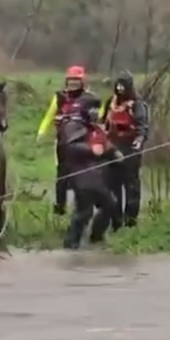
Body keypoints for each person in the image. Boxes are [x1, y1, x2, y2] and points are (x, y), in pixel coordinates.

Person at [36, 65, 102, 215]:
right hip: (63, 143)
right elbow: (49, 115)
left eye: (76, 81)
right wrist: (41, 132)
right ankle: (60, 206)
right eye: (71, 80)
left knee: (86, 171)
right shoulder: (59, 97)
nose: (73, 84)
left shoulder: (91, 98)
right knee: (62, 175)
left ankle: (91, 202)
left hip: (83, 142)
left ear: (82, 81)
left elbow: (100, 116)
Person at [60, 103, 123, 250]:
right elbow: (70, 146)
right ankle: (71, 244)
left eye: (97, 108)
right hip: (82, 175)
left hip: (98, 176)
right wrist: (90, 150)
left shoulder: (96, 128)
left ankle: (96, 237)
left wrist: (114, 152)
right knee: (84, 211)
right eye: (91, 108)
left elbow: (105, 144)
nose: (95, 112)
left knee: (110, 205)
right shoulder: (73, 126)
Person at [99, 70, 149, 229]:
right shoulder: (110, 102)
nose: (120, 89)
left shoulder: (137, 104)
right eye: (118, 86)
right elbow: (102, 122)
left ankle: (130, 220)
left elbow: (142, 126)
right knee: (112, 184)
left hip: (130, 147)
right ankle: (116, 220)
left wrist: (139, 140)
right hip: (112, 147)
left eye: (123, 86)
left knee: (131, 185)